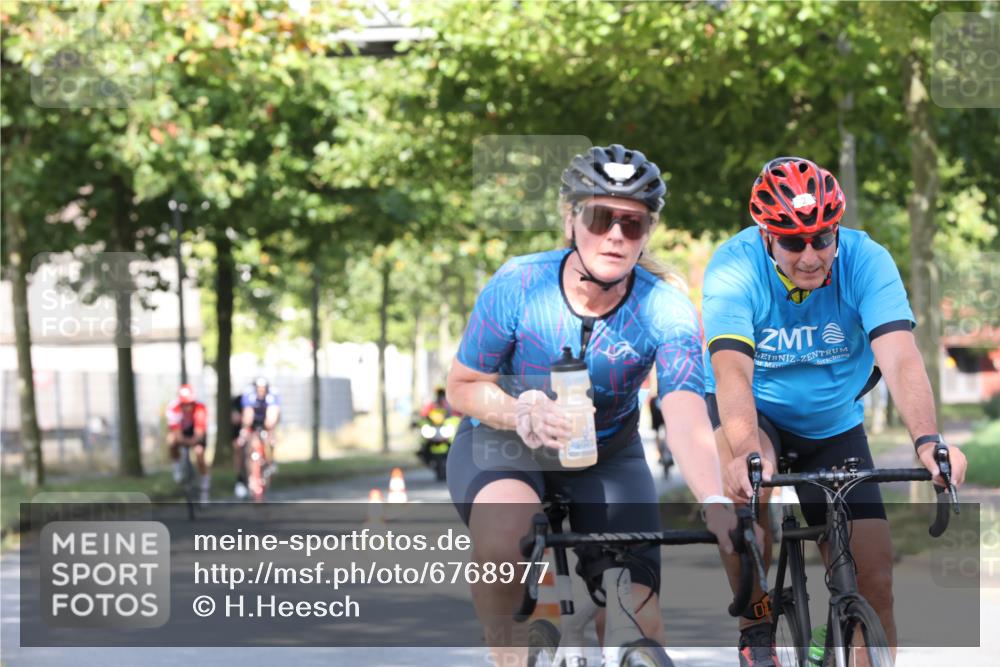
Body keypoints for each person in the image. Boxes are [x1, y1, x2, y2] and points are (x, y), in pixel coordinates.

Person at [446, 144, 737, 665]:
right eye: (601, 218)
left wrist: (714, 498)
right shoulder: (519, 284)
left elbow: (685, 411)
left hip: (606, 454)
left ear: (648, 232)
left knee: (638, 620)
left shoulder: (665, 307)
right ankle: (506, 652)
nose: (616, 235)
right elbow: (463, 386)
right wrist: (519, 412)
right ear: (571, 220)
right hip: (505, 443)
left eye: (633, 223)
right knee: (505, 537)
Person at [702, 156, 968, 666]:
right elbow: (731, 369)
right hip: (756, 412)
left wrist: (927, 442)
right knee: (752, 481)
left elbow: (900, 358)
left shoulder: (867, 260)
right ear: (766, 236)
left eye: (822, 238)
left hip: (832, 423)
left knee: (875, 581)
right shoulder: (734, 266)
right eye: (792, 242)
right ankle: (756, 623)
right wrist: (743, 451)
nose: (810, 256)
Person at [235, 376, 281, 498]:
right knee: (248, 445)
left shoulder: (272, 395)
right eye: (259, 389)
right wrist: (245, 430)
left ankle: (271, 462)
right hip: (253, 424)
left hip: (267, 422)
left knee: (270, 441)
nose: (261, 391)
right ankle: (250, 477)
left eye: (263, 389)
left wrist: (270, 432)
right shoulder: (249, 394)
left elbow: (272, 416)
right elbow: (247, 415)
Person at [166, 384, 210, 504]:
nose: (187, 407)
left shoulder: (200, 408)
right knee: (171, 440)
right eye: (184, 404)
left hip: (195, 433)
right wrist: (182, 441)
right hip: (181, 432)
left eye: (189, 404)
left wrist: (192, 442)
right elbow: (176, 433)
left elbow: (199, 433)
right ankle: (177, 467)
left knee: (199, 453)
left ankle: (204, 487)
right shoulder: (173, 408)